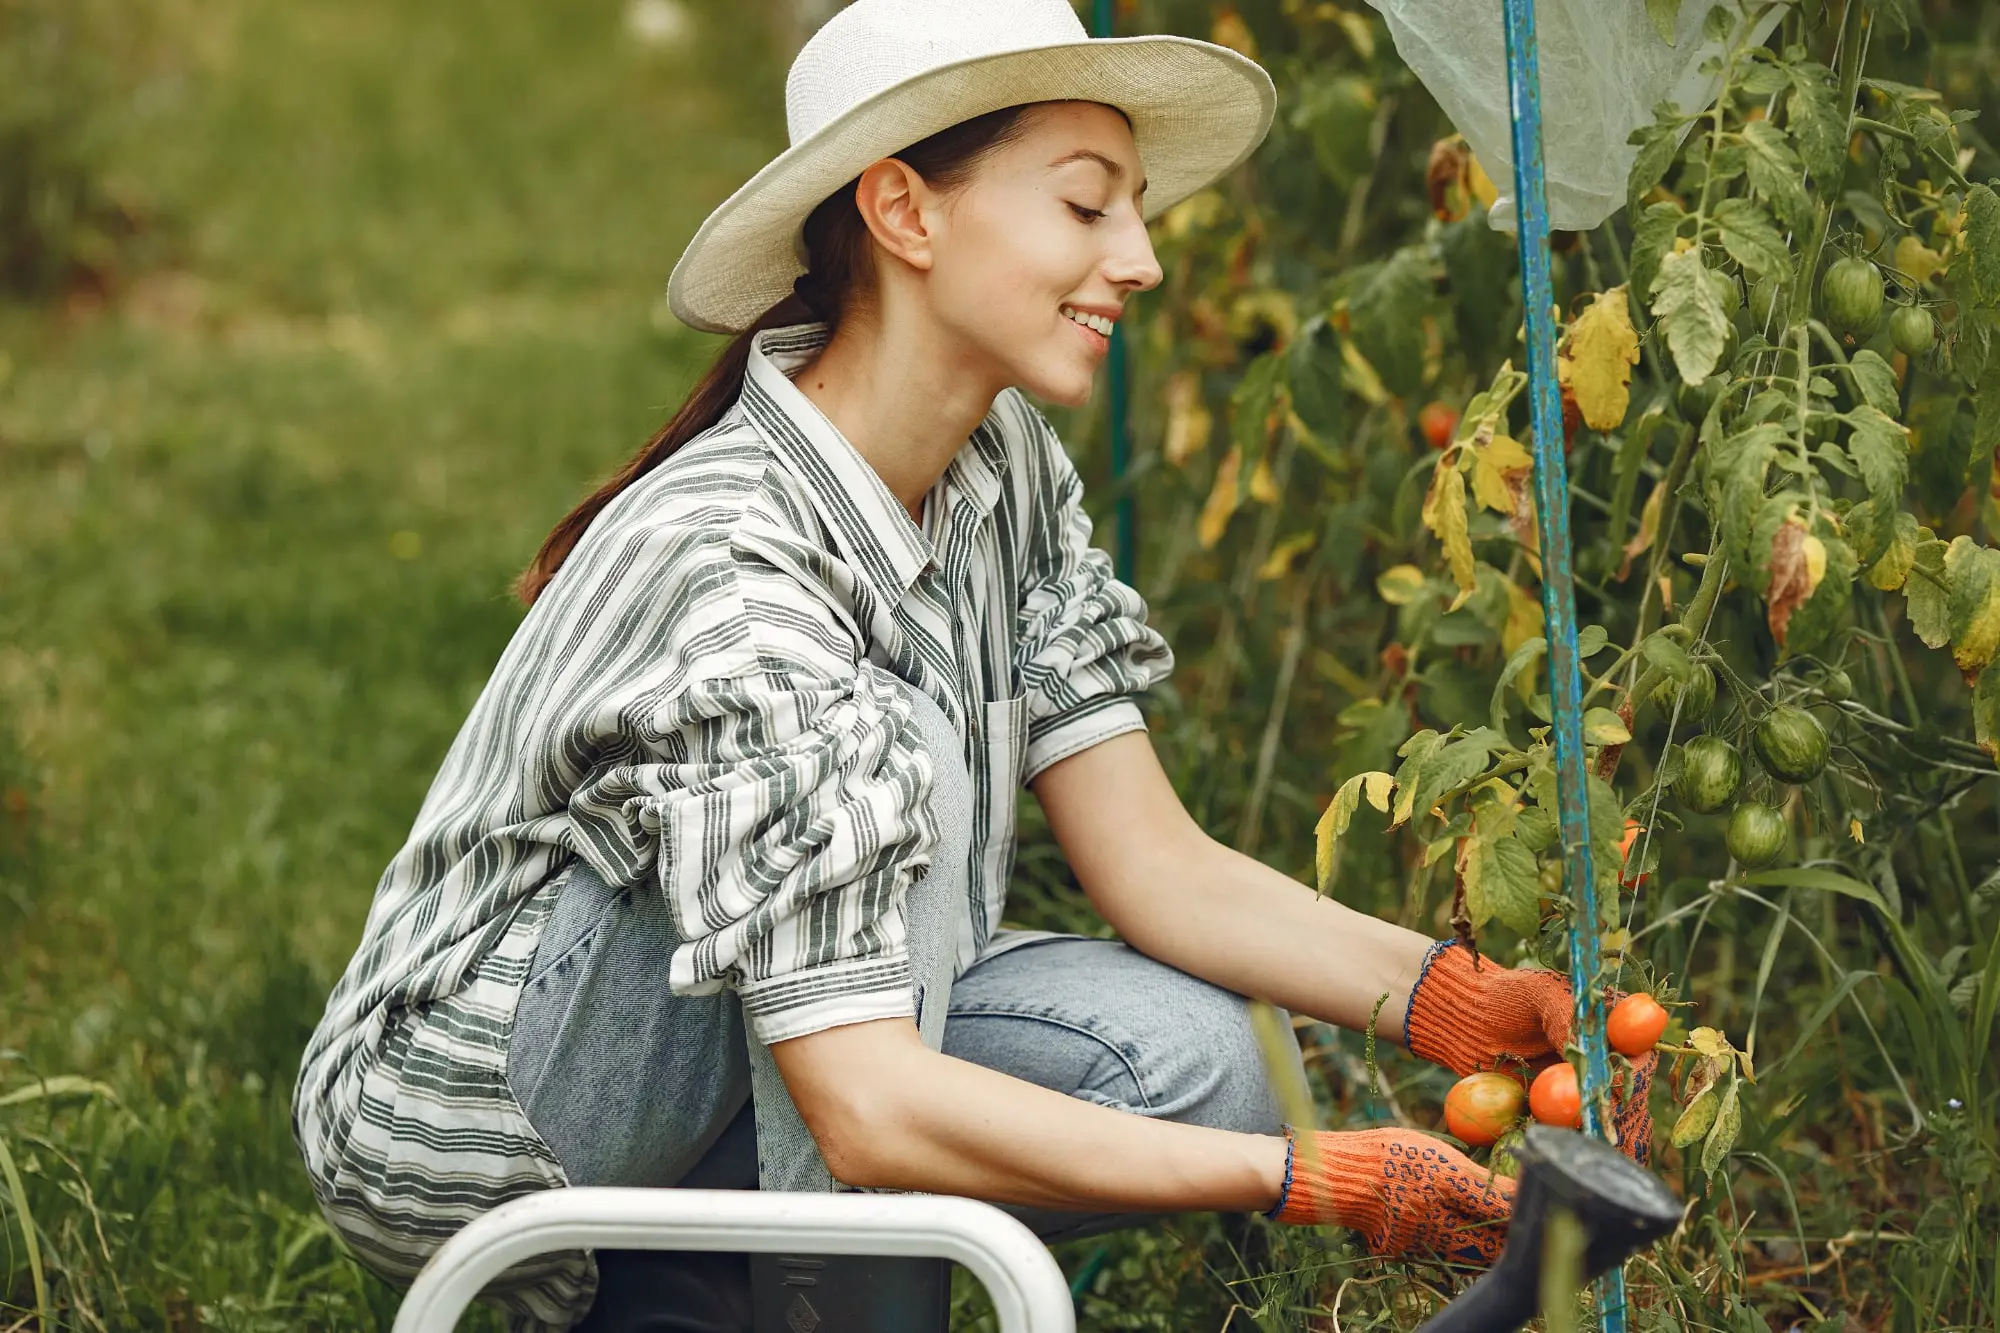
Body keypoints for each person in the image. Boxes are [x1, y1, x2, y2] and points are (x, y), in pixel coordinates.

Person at [290, 1, 1656, 1328]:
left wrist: (1455, 1005)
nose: (1142, 258)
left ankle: (688, 1291)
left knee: (1204, 1066)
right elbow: (871, 1104)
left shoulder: (997, 470)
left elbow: (1153, 865)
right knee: (902, 753)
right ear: (904, 212)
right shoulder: (736, 565)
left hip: (752, 1047)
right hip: (480, 1117)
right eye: (1085, 205)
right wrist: (1316, 1181)